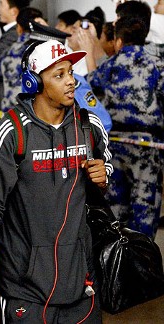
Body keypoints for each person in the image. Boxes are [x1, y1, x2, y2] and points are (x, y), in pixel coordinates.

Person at [0, 40, 111, 323]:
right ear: (33, 82)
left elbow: (101, 196)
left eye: (71, 72)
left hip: (83, 289)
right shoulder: (11, 132)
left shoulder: (89, 126)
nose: (71, 82)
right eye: (59, 75)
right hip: (25, 293)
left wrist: (102, 180)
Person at [86, 15, 164, 239]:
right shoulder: (157, 65)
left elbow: (90, 91)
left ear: (118, 41)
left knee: (115, 212)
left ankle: (118, 264)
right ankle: (143, 264)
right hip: (149, 149)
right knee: (145, 211)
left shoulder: (110, 65)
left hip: (114, 147)